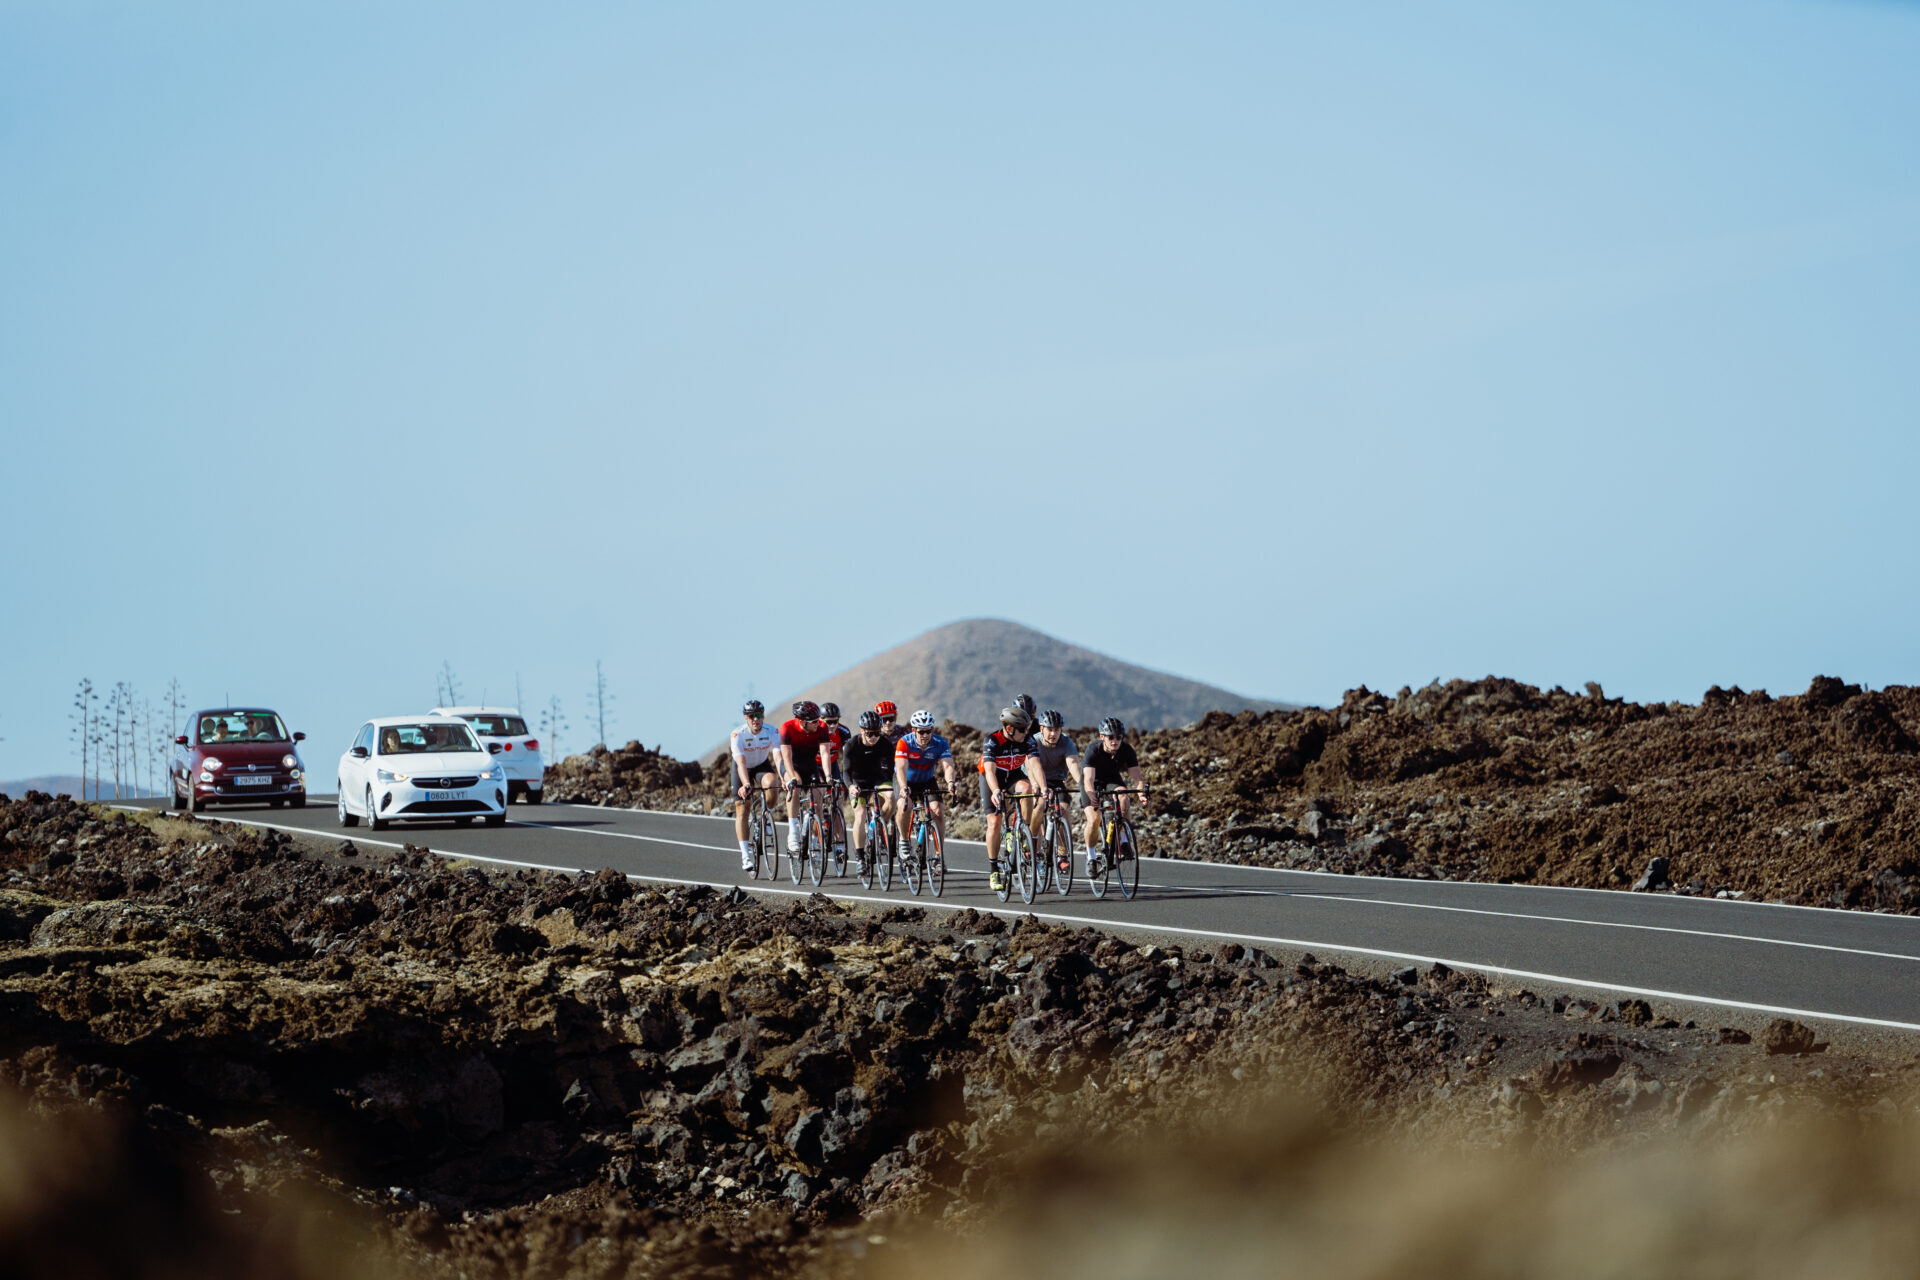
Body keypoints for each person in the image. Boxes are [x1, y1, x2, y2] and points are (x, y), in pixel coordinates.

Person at [981, 705, 1037, 893]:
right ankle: (993, 870)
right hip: (993, 777)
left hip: (1012, 775)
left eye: (1027, 729)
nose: (1026, 733)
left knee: (1027, 788)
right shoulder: (992, 740)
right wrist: (996, 790)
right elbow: (989, 770)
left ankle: (1022, 832)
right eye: (1022, 729)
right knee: (995, 823)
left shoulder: (1027, 740)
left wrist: (1043, 788)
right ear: (1010, 729)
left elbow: (1035, 764)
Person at [1083, 717, 1148, 875]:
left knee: (1124, 797)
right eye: (1110, 737)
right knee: (1094, 819)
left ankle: (1123, 840)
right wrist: (1092, 796)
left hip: (1112, 780)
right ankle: (1091, 858)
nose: (1115, 741)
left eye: (1118, 737)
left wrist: (1141, 794)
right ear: (1102, 737)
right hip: (1093, 782)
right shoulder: (1093, 750)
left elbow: (1137, 778)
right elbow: (1088, 779)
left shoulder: (1126, 750)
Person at [1023, 709, 1083, 873]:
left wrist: (1084, 785)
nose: (1053, 734)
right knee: (1040, 805)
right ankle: (1032, 843)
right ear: (1041, 729)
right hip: (1035, 777)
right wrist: (1036, 785)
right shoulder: (1032, 741)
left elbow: (1073, 765)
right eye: (1050, 729)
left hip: (1056, 780)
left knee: (1063, 809)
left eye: (1057, 730)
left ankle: (1062, 856)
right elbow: (1030, 766)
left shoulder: (1067, 742)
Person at [893, 709, 956, 864]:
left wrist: (951, 783)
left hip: (927, 780)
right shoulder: (905, 742)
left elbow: (948, 766)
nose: (925, 735)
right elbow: (900, 767)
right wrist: (903, 787)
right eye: (921, 732)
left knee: (938, 811)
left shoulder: (940, 743)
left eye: (928, 731)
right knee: (904, 806)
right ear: (914, 730)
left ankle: (939, 855)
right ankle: (903, 841)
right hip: (905, 780)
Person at [729, 699, 783, 871]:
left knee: (773, 784)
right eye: (751, 716)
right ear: (745, 718)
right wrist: (745, 784)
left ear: (763, 715)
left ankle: (767, 818)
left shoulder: (772, 732)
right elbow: (741, 762)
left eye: (758, 715)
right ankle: (745, 856)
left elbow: (778, 757)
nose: (755, 719)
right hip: (742, 768)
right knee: (743, 808)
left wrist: (784, 777)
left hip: (761, 765)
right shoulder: (738, 735)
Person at [842, 710, 897, 872]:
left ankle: (880, 826)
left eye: (877, 733)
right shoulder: (851, 745)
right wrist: (851, 787)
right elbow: (845, 771)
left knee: (892, 797)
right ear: (861, 731)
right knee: (860, 815)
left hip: (878, 780)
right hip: (858, 782)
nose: (873, 737)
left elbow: (892, 769)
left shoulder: (885, 744)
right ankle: (860, 857)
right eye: (869, 734)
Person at [778, 701, 835, 855]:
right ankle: (793, 833)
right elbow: (786, 757)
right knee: (796, 785)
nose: (819, 723)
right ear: (802, 722)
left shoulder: (821, 728)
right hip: (792, 765)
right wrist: (791, 778)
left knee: (817, 801)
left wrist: (828, 776)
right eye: (814, 721)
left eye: (818, 720)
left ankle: (815, 842)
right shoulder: (787, 728)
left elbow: (824, 753)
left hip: (810, 765)